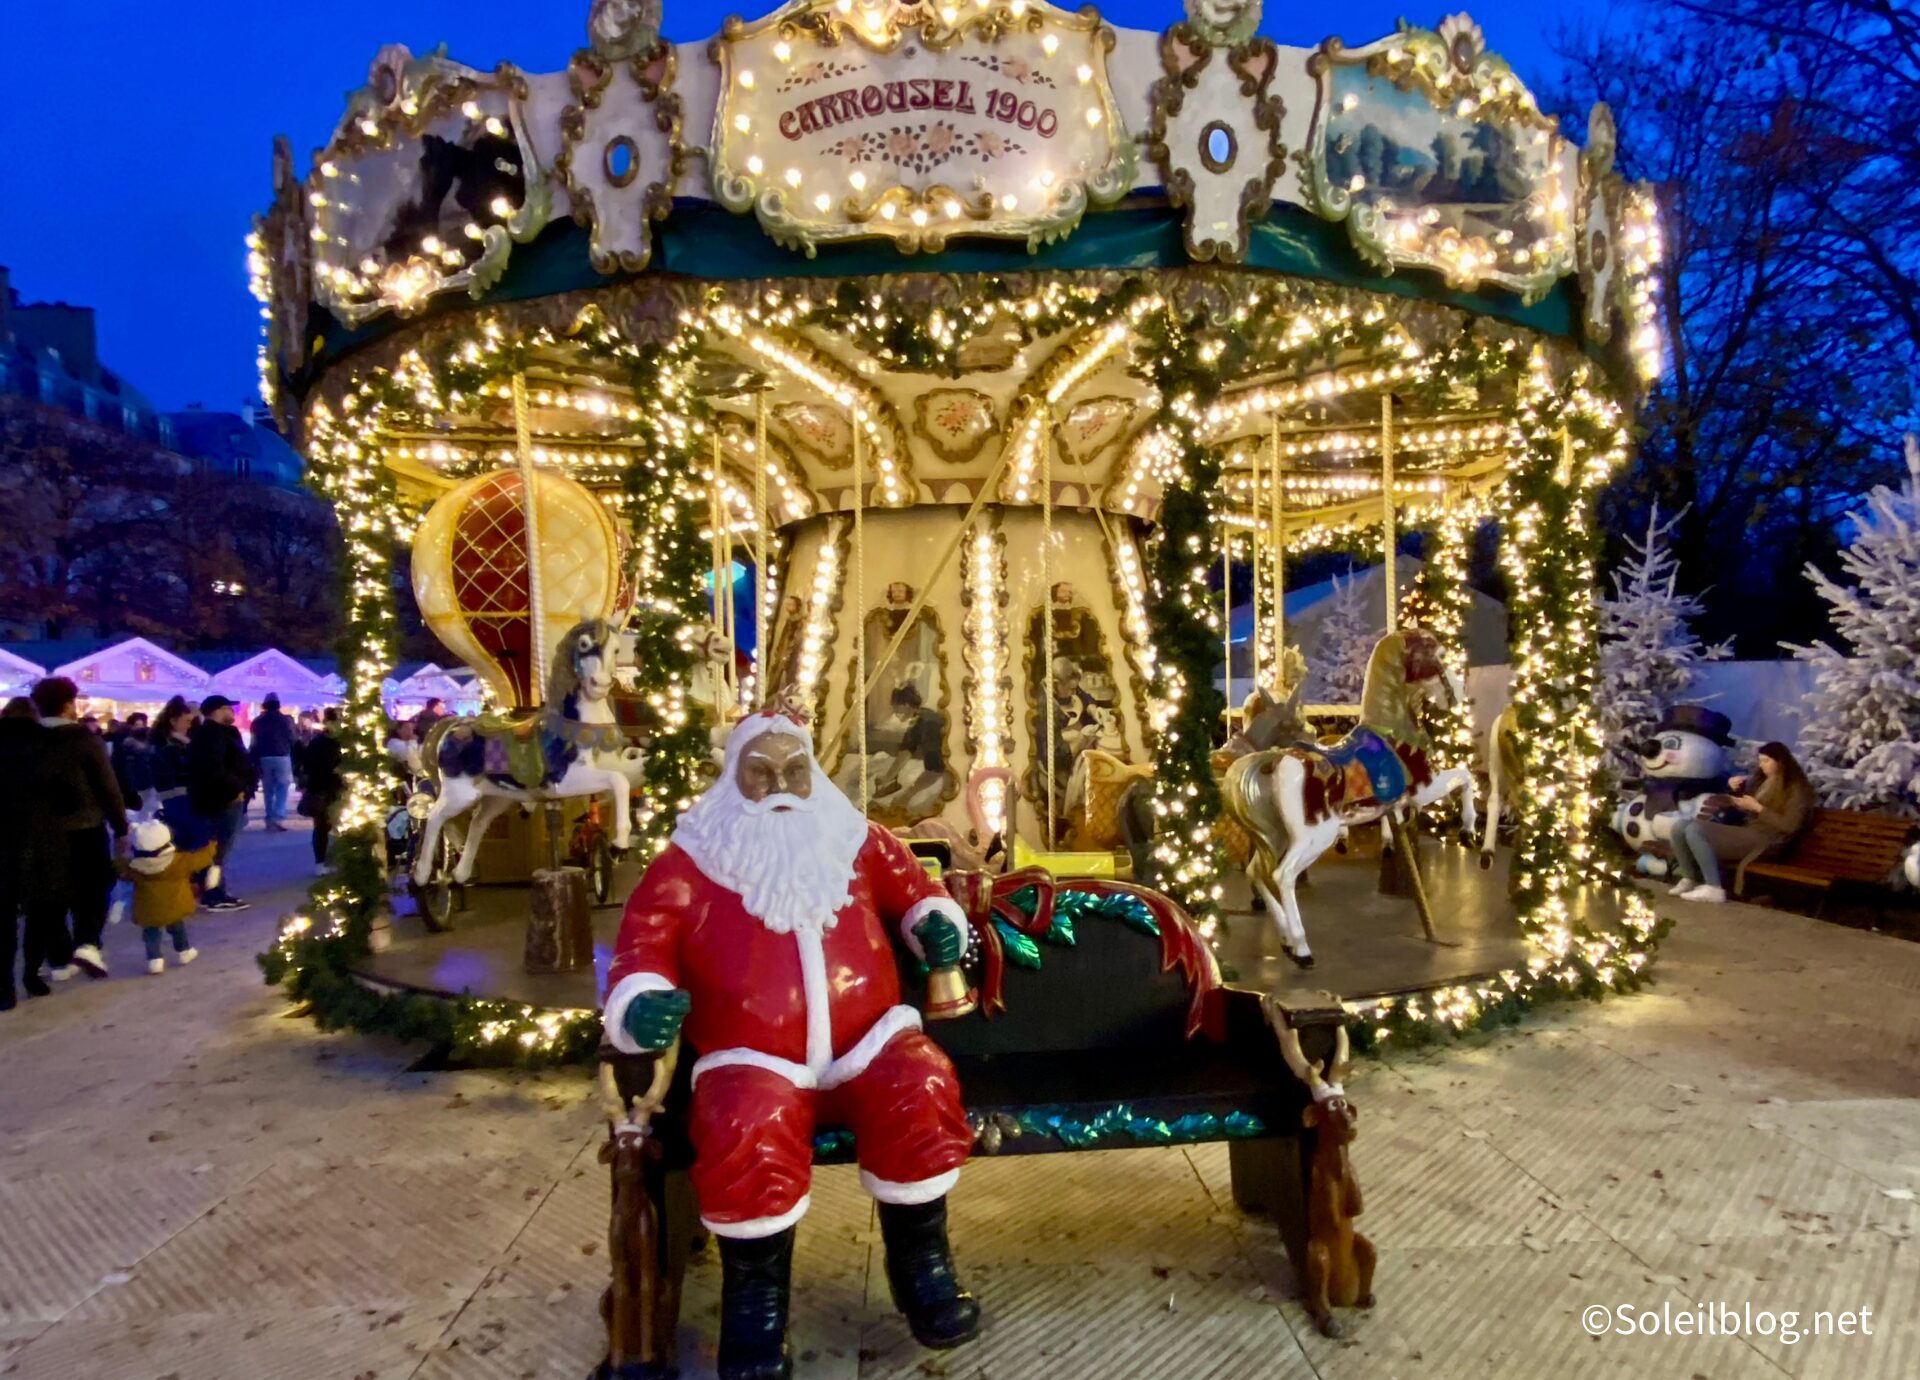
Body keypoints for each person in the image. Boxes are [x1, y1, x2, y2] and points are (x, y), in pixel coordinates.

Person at [606, 708, 980, 1379]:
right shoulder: (691, 862)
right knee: (745, 1124)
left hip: (869, 1044)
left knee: (919, 1087)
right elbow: (643, 948)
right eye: (760, 772)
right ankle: (756, 1302)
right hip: (754, 1058)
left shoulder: (857, 839)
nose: (779, 784)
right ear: (734, 775)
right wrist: (640, 1004)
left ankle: (922, 1263)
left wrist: (936, 926)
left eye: (793, 770)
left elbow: (917, 895)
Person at [24, 677, 129, 982]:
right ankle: (87, 943)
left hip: (41, 831)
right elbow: (107, 786)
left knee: (51, 892)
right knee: (94, 886)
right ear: (68, 704)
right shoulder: (83, 739)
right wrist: (121, 826)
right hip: (85, 825)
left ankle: (58, 958)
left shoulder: (28, 739)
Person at [1667, 741, 1816, 904]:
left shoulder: (1796, 789)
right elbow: (1747, 811)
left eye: (1766, 761)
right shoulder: (1764, 782)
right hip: (1749, 832)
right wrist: (1736, 795)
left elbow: (1790, 825)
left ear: (1780, 762)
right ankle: (1690, 879)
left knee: (1694, 829)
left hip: (1767, 841)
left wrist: (1758, 808)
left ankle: (1714, 887)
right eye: (1760, 761)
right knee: (1680, 826)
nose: (1762, 765)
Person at [188, 695, 257, 911]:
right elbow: (214, 769)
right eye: (228, 708)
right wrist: (236, 788)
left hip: (226, 796)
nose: (232, 712)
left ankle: (212, 888)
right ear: (216, 711)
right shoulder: (211, 735)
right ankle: (213, 893)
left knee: (218, 848)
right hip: (221, 799)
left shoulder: (223, 733)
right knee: (218, 850)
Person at [119, 818, 213, 975]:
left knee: (151, 933)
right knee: (177, 928)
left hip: (148, 909)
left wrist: (123, 850)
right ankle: (184, 952)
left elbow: (119, 869)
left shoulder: (133, 867)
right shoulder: (179, 861)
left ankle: (154, 960)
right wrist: (212, 845)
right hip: (174, 906)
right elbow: (201, 858)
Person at [1, 696, 41, 1008]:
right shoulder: (42, 743)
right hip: (34, 835)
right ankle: (31, 974)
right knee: (36, 910)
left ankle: (4, 987)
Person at [300, 708, 345, 874]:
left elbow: (306, 765)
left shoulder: (317, 742)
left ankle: (321, 862)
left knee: (322, 827)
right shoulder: (339, 744)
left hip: (321, 788)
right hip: (329, 789)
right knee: (326, 826)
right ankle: (325, 861)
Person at [249, 692, 297, 832]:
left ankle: (269, 818)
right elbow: (292, 738)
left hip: (264, 757)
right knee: (282, 788)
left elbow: (254, 743)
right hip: (282, 756)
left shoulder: (257, 721)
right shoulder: (286, 720)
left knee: (268, 789)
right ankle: (278, 817)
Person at [111, 711, 156, 818]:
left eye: (141, 725)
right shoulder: (123, 740)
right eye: (137, 725)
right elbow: (117, 762)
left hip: (144, 780)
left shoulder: (148, 740)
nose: (139, 728)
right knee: (133, 810)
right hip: (128, 781)